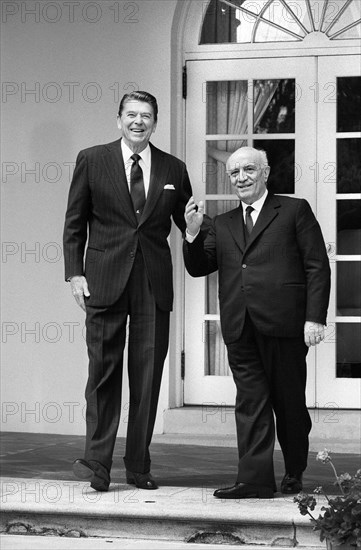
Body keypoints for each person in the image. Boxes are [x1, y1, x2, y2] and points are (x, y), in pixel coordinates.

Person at [63, 91, 193, 492]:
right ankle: (98, 462)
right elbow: (74, 222)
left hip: (153, 284)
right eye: (132, 115)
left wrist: (191, 228)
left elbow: (186, 223)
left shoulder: (174, 167)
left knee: (147, 376)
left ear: (156, 122)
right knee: (103, 373)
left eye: (147, 116)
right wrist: (74, 274)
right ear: (118, 119)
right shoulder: (92, 159)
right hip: (103, 278)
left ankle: (138, 465)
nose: (139, 122)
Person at [183, 146, 330, 499]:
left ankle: (294, 471)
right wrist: (191, 234)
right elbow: (200, 266)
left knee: (289, 403)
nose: (241, 178)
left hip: (284, 325)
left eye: (248, 170)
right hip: (239, 327)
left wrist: (314, 318)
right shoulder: (224, 223)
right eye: (234, 173)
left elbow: (317, 266)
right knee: (250, 404)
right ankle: (255, 480)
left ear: (264, 173)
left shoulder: (294, 210)